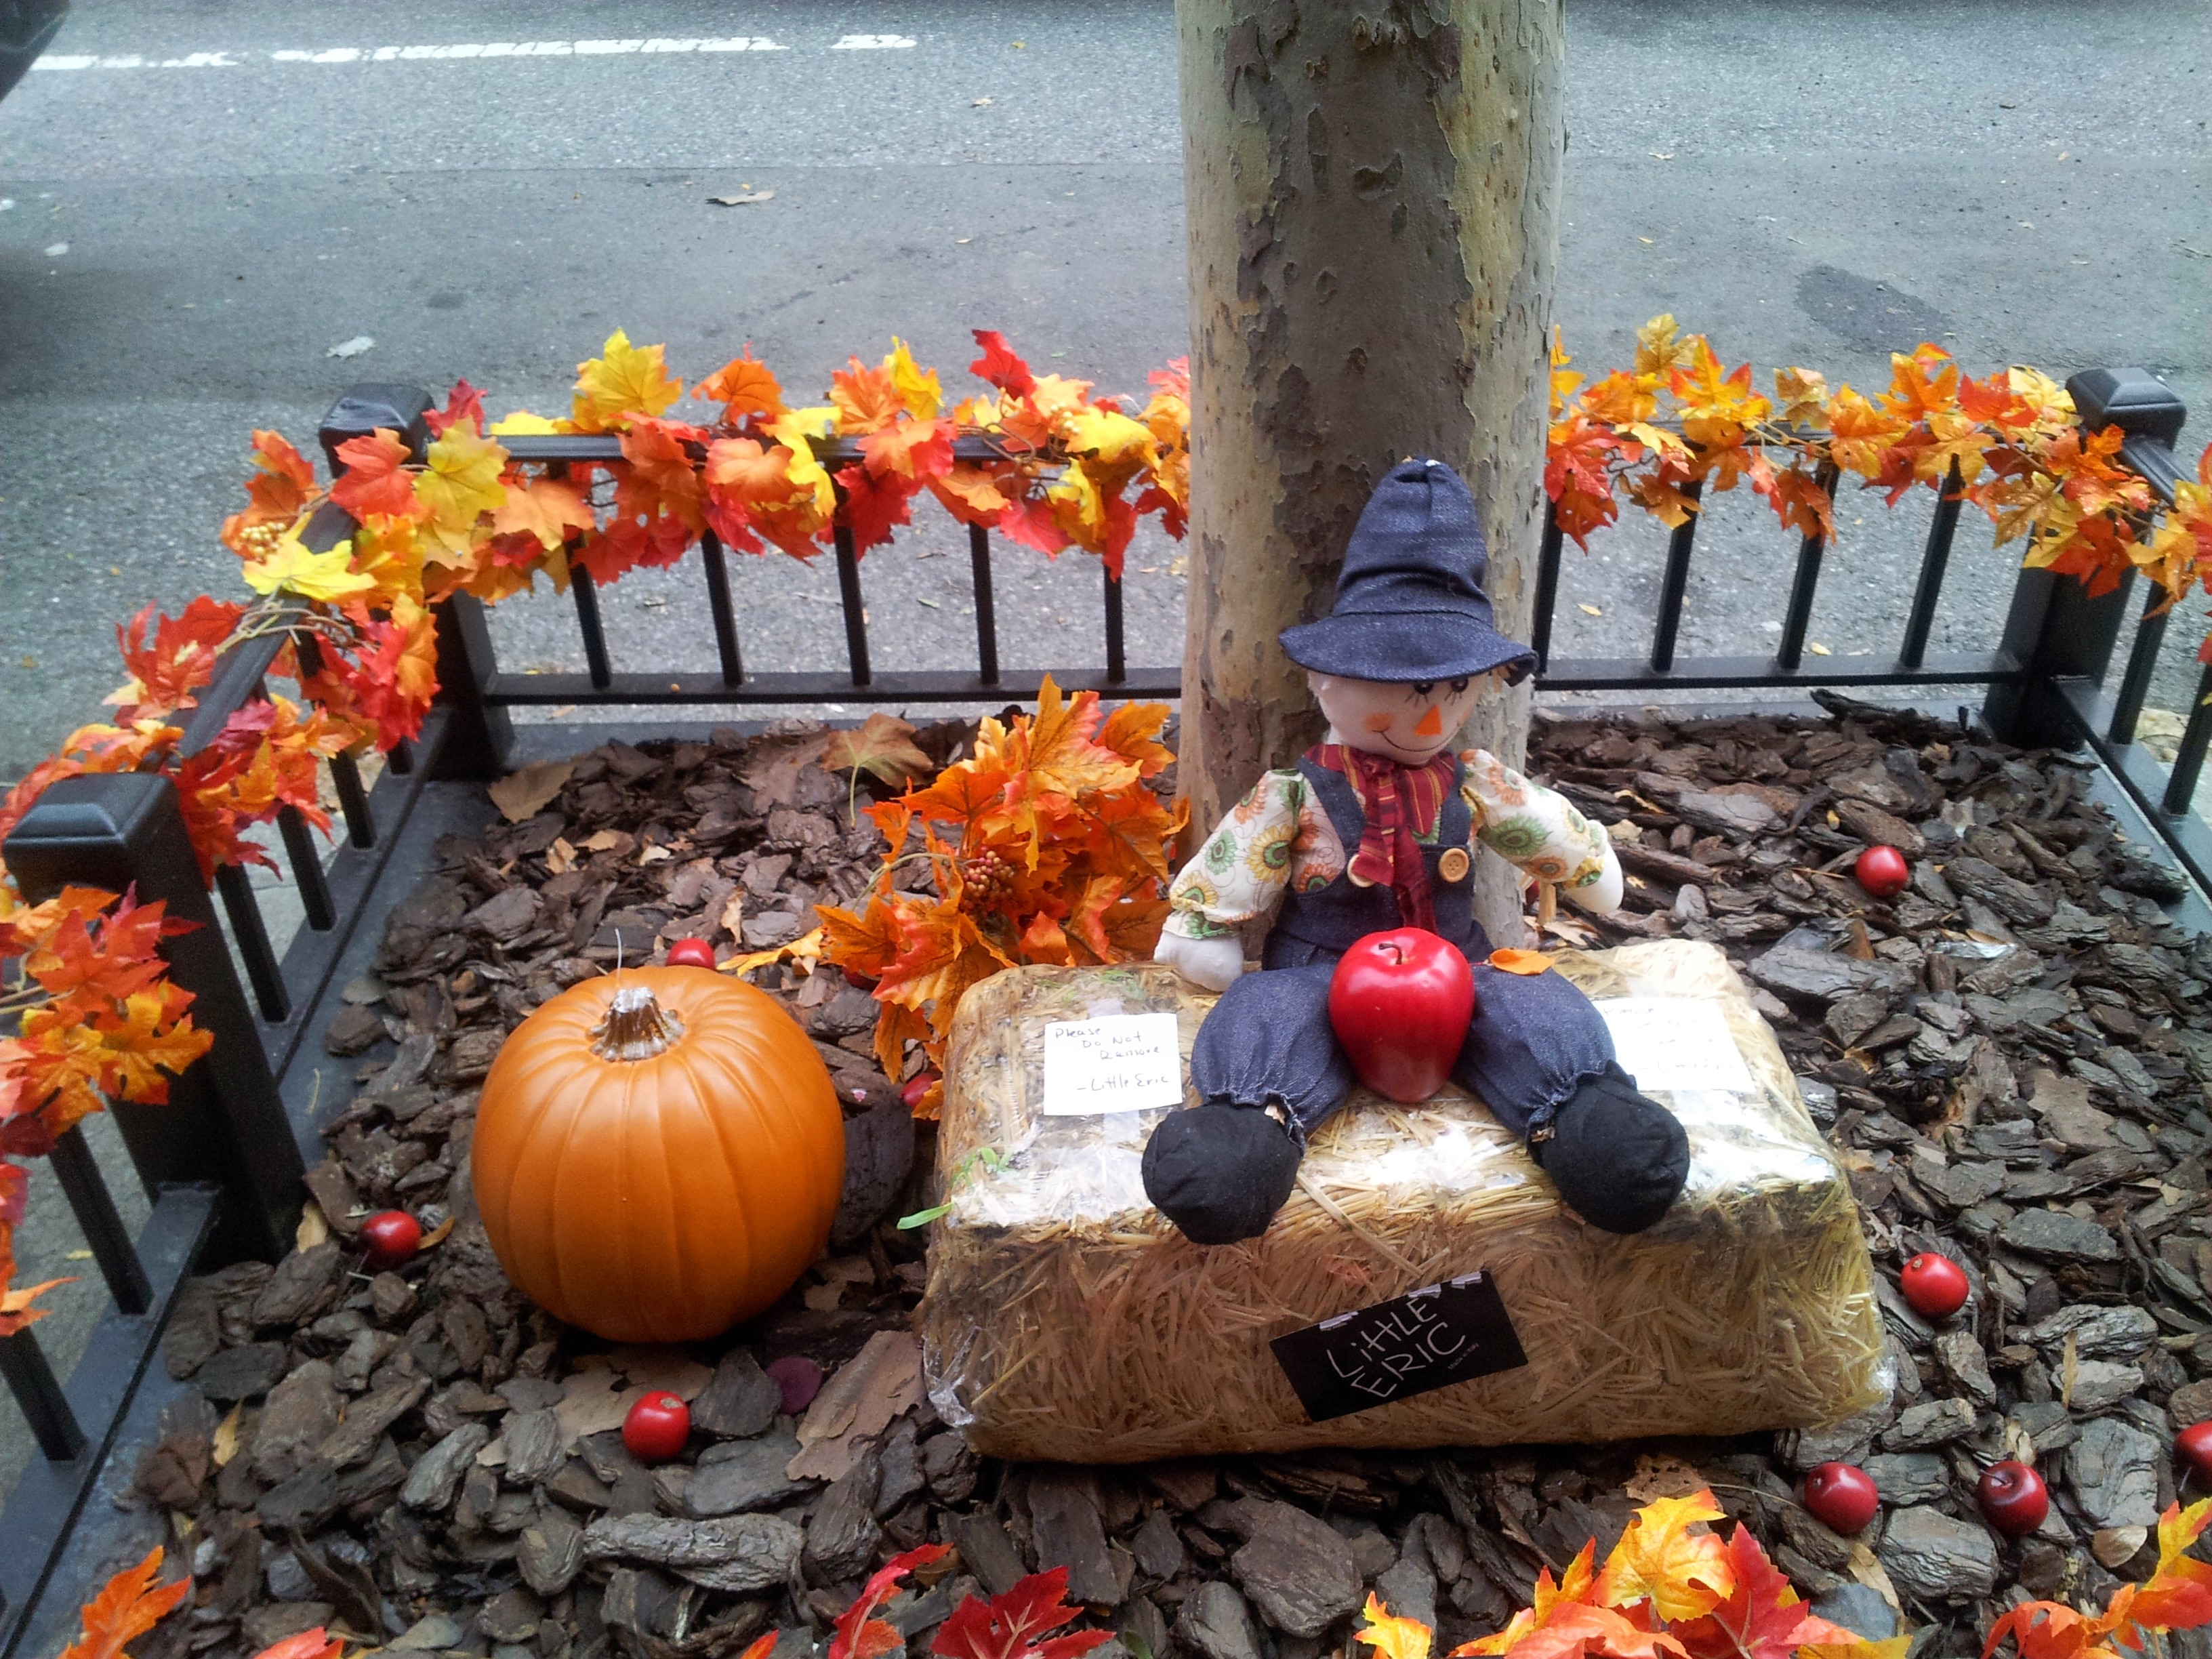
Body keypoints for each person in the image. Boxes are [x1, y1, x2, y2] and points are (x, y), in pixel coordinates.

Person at [1141, 458, 1690, 1246]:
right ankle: (1247, 1130)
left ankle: (1586, 1117)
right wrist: (1204, 924)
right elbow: (1241, 851)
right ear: (1325, 680)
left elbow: (1536, 823)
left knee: (1526, 1001)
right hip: (1324, 970)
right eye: (1405, 691)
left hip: (1454, 963)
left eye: (1451, 691)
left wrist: (1584, 861)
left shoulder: (1472, 780)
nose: (1431, 722)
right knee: (1270, 1009)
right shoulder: (1294, 793)